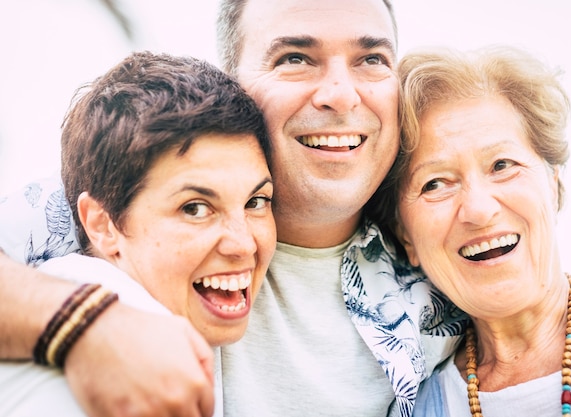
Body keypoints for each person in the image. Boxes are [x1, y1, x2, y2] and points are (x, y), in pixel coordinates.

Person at [0, 1, 465, 416]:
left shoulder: (437, 252)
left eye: (371, 59)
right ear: (233, 79)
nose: (342, 95)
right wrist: (84, 323)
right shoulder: (110, 194)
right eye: (296, 58)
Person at [0, 50, 276, 416]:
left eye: (256, 201)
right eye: (195, 208)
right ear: (101, 224)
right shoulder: (104, 370)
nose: (243, 244)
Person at [377, 46, 571, 416]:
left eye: (502, 164)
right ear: (405, 237)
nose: (478, 210)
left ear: (553, 184)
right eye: (435, 184)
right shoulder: (417, 407)